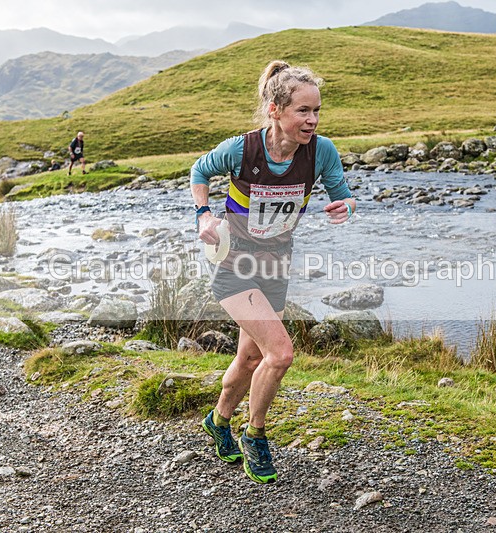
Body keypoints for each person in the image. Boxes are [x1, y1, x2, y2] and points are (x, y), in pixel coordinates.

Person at [191, 60, 356, 484]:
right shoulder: (242, 149)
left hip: (275, 265)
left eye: (317, 110)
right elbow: (199, 171)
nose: (313, 120)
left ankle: (218, 419)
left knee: (249, 356)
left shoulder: (322, 151)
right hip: (234, 264)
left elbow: (345, 195)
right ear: (275, 110)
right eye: (303, 111)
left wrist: (346, 206)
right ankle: (256, 434)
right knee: (280, 354)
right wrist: (204, 215)